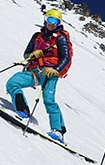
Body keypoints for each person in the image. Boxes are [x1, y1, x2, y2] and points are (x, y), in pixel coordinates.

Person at [6, 8, 71, 142]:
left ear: (59, 24)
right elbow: (26, 54)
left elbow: (66, 58)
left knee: (48, 100)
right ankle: (22, 111)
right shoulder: (37, 36)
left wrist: (56, 69)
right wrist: (31, 55)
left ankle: (58, 131)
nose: (52, 24)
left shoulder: (61, 39)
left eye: (56, 21)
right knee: (13, 82)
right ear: (45, 20)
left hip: (50, 73)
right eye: (50, 20)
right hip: (34, 71)